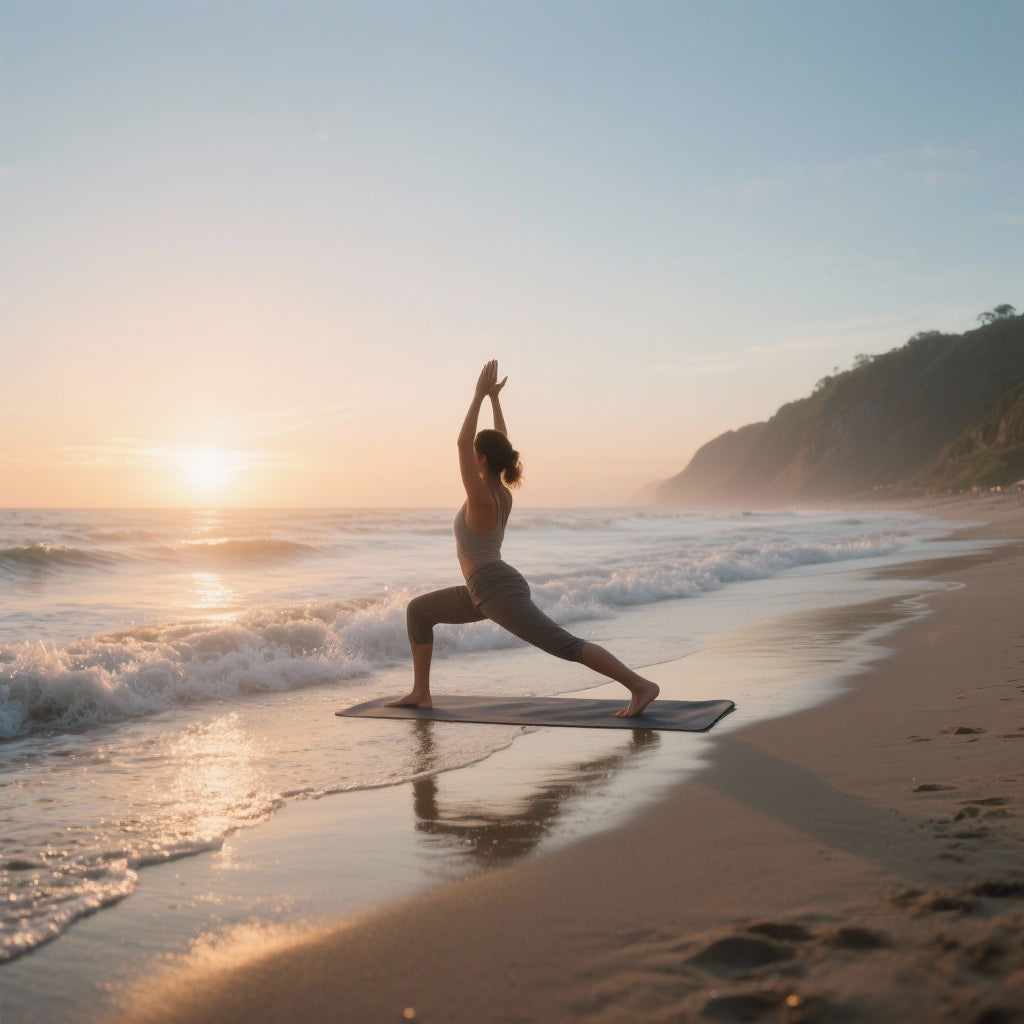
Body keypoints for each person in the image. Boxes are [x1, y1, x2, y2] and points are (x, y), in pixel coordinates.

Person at [387, 360, 660, 718]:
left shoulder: (482, 499)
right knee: (418, 611)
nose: (469, 457)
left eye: (474, 456)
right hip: (481, 590)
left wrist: (477, 395)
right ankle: (421, 692)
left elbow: (461, 441)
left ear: (481, 460)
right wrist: (495, 401)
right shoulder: (501, 493)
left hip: (493, 588)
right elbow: (499, 443)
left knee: (565, 645)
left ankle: (640, 686)